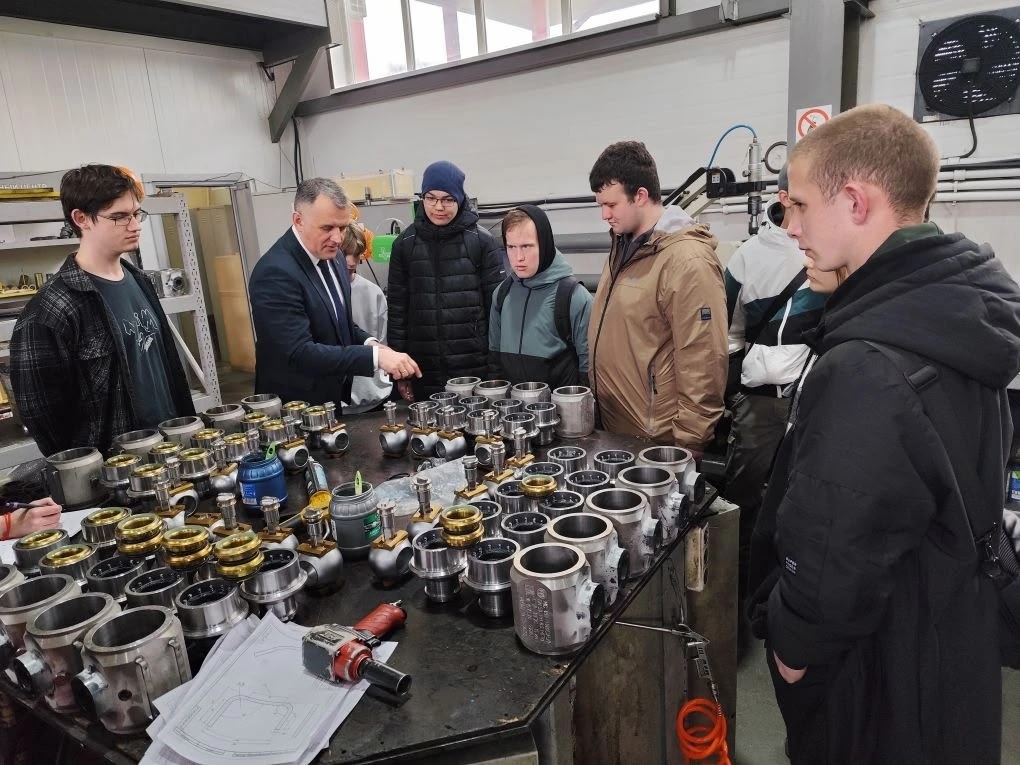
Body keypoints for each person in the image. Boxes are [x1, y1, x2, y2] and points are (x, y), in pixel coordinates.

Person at [746, 103, 1020, 763]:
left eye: (800, 205)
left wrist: (791, 652)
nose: (791, 227)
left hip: (880, 680)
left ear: (855, 201)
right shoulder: (957, 313)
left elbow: (830, 555)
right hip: (949, 646)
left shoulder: (866, 366)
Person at [10, 164, 195, 457]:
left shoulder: (140, 281)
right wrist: (94, 468)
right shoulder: (50, 311)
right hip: (117, 467)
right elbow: (43, 416)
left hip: (171, 449)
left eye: (136, 214)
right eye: (119, 217)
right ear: (81, 218)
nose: (134, 225)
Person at [723, 166, 827, 594]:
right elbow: (728, 332)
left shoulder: (835, 248)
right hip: (760, 402)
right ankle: (741, 584)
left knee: (807, 497)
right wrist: (735, 386)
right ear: (785, 198)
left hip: (816, 400)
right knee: (744, 494)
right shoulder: (748, 257)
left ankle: (791, 585)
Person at [586, 141, 727, 448]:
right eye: (600, 205)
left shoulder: (687, 261)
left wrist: (690, 441)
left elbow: (702, 359)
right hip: (617, 428)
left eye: (611, 205)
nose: (604, 215)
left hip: (658, 439)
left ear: (640, 196)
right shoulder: (623, 248)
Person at [249, 178, 419, 406]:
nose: (338, 239)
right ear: (298, 220)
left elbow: (339, 324)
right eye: (327, 228)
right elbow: (299, 352)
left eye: (343, 227)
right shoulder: (275, 272)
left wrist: (371, 344)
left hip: (332, 400)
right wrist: (375, 358)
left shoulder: (334, 258)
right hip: (295, 409)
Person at [387, 161, 504, 401]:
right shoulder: (404, 244)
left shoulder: (481, 242)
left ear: (460, 199)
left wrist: (495, 371)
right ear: (422, 198)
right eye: (431, 198)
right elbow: (397, 312)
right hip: (423, 369)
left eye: (448, 199)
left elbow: (497, 312)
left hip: (474, 370)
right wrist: (400, 373)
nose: (438, 207)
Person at [489, 206, 593, 388]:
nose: (518, 257)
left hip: (559, 404)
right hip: (511, 405)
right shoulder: (502, 294)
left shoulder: (574, 297)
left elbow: (589, 367)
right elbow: (495, 358)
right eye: (511, 247)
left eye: (526, 246)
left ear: (544, 245)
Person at [343, 226, 393, 413]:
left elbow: (383, 341)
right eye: (345, 254)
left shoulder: (373, 292)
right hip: (337, 397)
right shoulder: (322, 293)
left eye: (356, 255)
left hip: (374, 394)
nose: (351, 262)